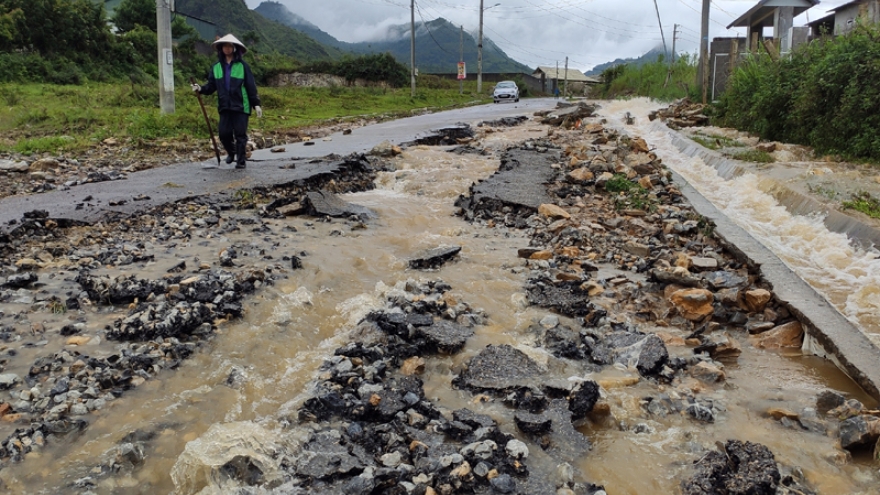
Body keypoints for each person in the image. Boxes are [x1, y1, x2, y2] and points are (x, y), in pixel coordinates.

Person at [191, 34, 262, 169]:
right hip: (225, 106)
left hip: (241, 106)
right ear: (221, 48)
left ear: (234, 48)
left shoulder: (243, 66)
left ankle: (241, 162)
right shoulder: (216, 67)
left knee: (240, 135)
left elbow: (250, 86)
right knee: (224, 134)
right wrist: (200, 88)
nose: (227, 49)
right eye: (225, 46)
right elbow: (211, 86)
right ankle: (232, 152)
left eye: (230, 46)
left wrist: (256, 104)